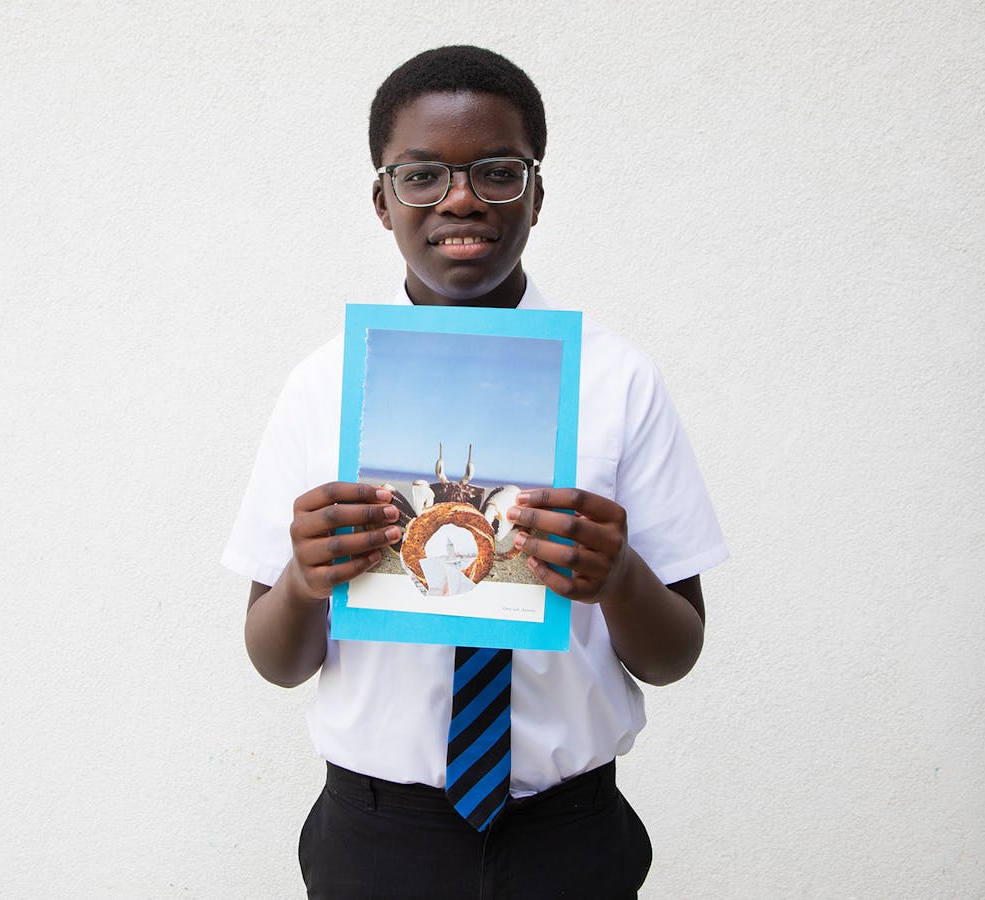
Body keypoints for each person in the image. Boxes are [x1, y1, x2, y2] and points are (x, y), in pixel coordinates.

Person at [222, 45, 727, 899]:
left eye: (497, 171)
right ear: (382, 202)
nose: (460, 198)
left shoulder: (618, 381)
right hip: (378, 837)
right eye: (422, 176)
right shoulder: (325, 384)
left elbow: (675, 654)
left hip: (568, 837)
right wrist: (304, 582)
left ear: (536, 194)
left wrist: (620, 576)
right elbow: (276, 661)